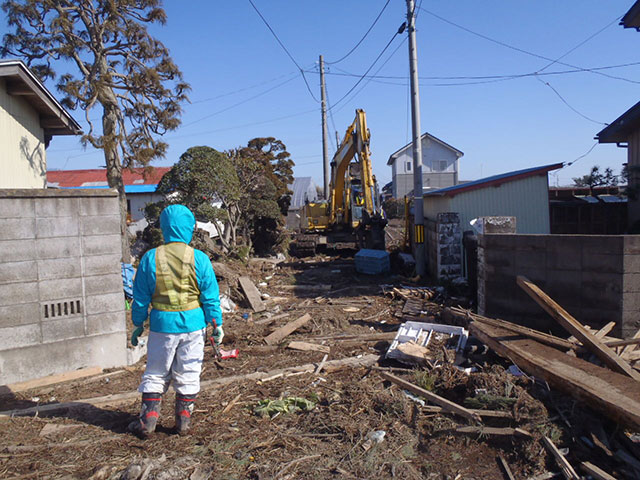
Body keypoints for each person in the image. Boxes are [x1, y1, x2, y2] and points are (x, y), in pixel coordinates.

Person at [129, 204, 223, 438]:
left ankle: (148, 420)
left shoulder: (151, 257)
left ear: (164, 227)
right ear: (190, 228)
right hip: (194, 325)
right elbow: (210, 296)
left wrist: (138, 323)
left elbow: (140, 297)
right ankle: (183, 420)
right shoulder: (199, 258)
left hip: (162, 325)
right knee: (189, 371)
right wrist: (216, 324)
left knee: (156, 371)